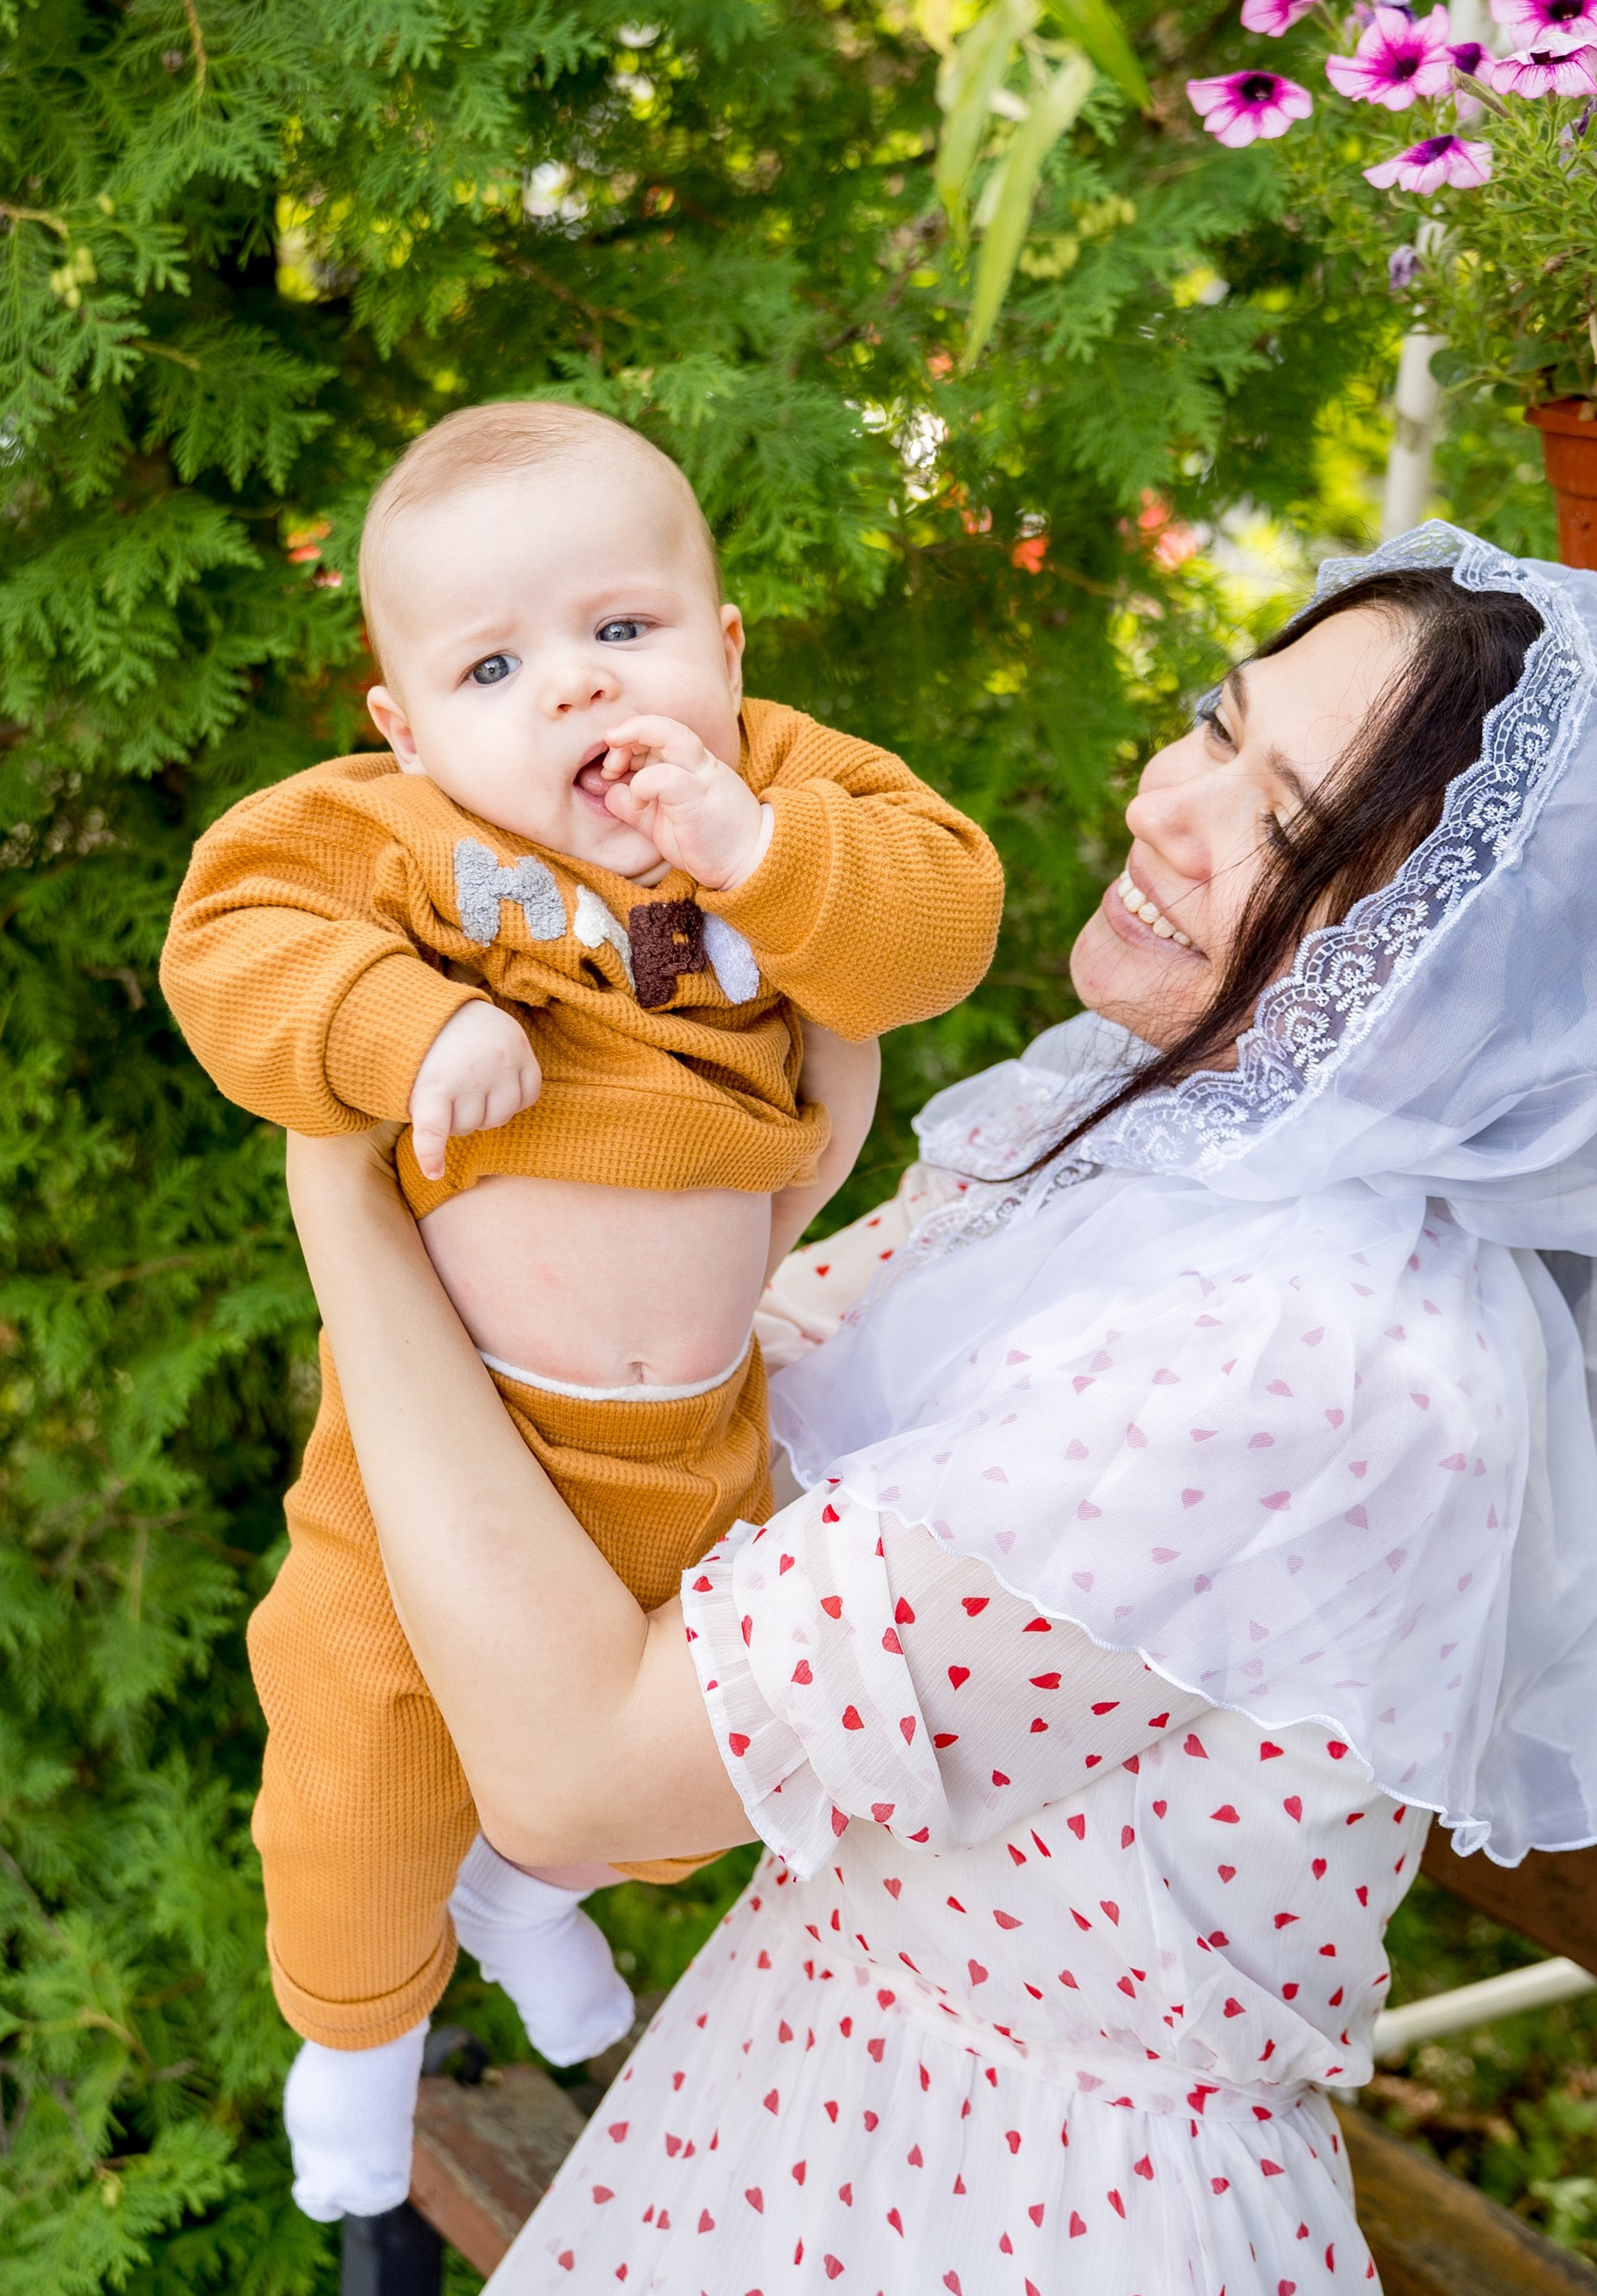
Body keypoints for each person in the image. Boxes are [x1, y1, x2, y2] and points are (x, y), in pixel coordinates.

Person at [87, 527, 1597, 2296]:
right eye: (1219, 727)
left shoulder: (1307, 1359)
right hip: (794, 2162)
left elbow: (583, 1777)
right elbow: (722, 1388)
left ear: (1462, 976)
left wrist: (340, 1190)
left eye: (1297, 828)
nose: (1183, 808)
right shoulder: (1160, 1147)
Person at [158, 401, 1003, 2203]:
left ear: (724, 648)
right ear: (402, 724)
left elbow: (940, 930)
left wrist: (756, 844)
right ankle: (358, 2038)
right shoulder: (388, 835)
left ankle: (523, 1896)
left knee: (695, 1743)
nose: (571, 691)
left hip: (694, 1433)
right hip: (451, 1437)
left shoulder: (785, 785)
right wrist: (408, 1028)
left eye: (621, 632)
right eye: (491, 663)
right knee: (363, 1752)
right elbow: (233, 945)